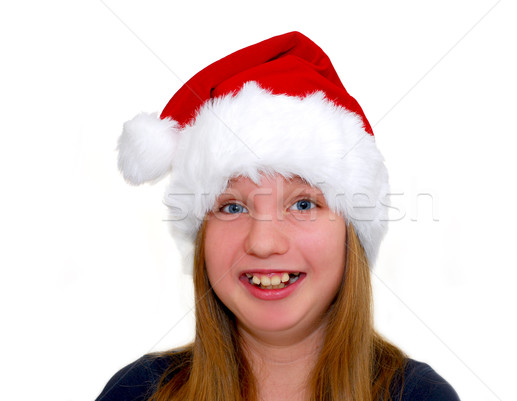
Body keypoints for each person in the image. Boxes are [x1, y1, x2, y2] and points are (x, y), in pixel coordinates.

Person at [97, 31, 460, 401]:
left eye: (303, 204)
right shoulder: (136, 392)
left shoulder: (418, 395)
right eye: (232, 207)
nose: (263, 242)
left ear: (352, 232)